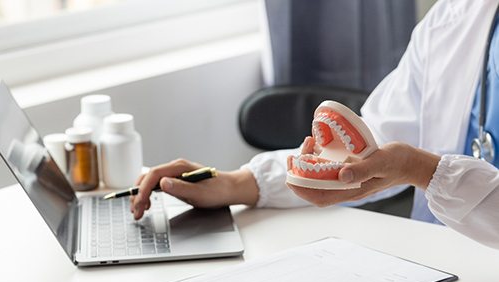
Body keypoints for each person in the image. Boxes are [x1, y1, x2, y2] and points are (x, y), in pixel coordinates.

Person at [131, 0, 499, 249]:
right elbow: (377, 146)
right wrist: (239, 183)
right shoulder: (457, 15)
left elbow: (408, 162)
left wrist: (421, 169)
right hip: (442, 268)